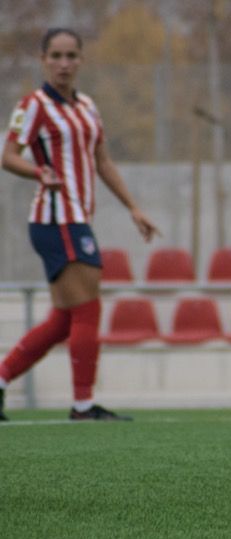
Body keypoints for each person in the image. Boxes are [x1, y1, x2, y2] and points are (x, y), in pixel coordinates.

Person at [0, 28, 159, 422]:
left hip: (75, 219)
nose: (64, 64)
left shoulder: (87, 106)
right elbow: (8, 155)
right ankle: (84, 406)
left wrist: (133, 207)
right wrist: (39, 172)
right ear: (43, 60)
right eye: (55, 55)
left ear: (81, 60)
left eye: (71, 55)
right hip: (56, 219)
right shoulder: (33, 105)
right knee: (88, 309)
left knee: (63, 321)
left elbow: (102, 161)